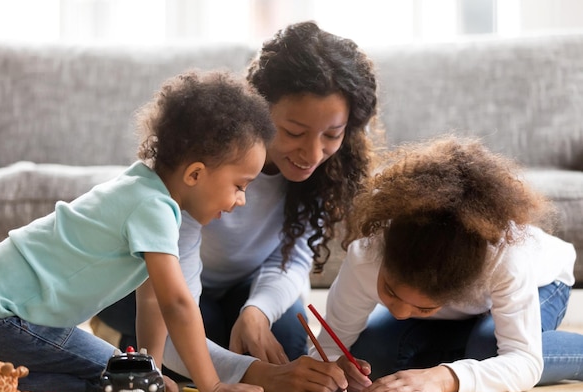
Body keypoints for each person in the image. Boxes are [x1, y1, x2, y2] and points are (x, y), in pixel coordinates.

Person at [0, 70, 277, 392]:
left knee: (136, 379)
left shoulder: (145, 191)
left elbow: (152, 300)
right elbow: (177, 304)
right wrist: (212, 386)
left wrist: (150, 371)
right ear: (195, 174)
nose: (241, 200)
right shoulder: (152, 206)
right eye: (240, 186)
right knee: (123, 385)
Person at [99, 19, 379, 367]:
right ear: (259, 108)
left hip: (235, 285)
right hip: (148, 282)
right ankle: (128, 344)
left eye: (332, 135)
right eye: (293, 131)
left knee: (286, 343)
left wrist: (257, 311)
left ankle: (150, 352)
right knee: (207, 332)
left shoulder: (326, 173)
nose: (312, 154)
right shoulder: (202, 156)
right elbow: (172, 301)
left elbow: (292, 258)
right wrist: (254, 374)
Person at [312, 136, 583, 392]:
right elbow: (326, 348)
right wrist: (331, 368)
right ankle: (467, 349)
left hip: (543, 283)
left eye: (424, 308)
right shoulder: (366, 257)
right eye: (390, 291)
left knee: (488, 350)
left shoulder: (506, 261)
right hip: (466, 312)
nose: (400, 313)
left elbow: (523, 361)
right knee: (371, 354)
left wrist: (444, 378)